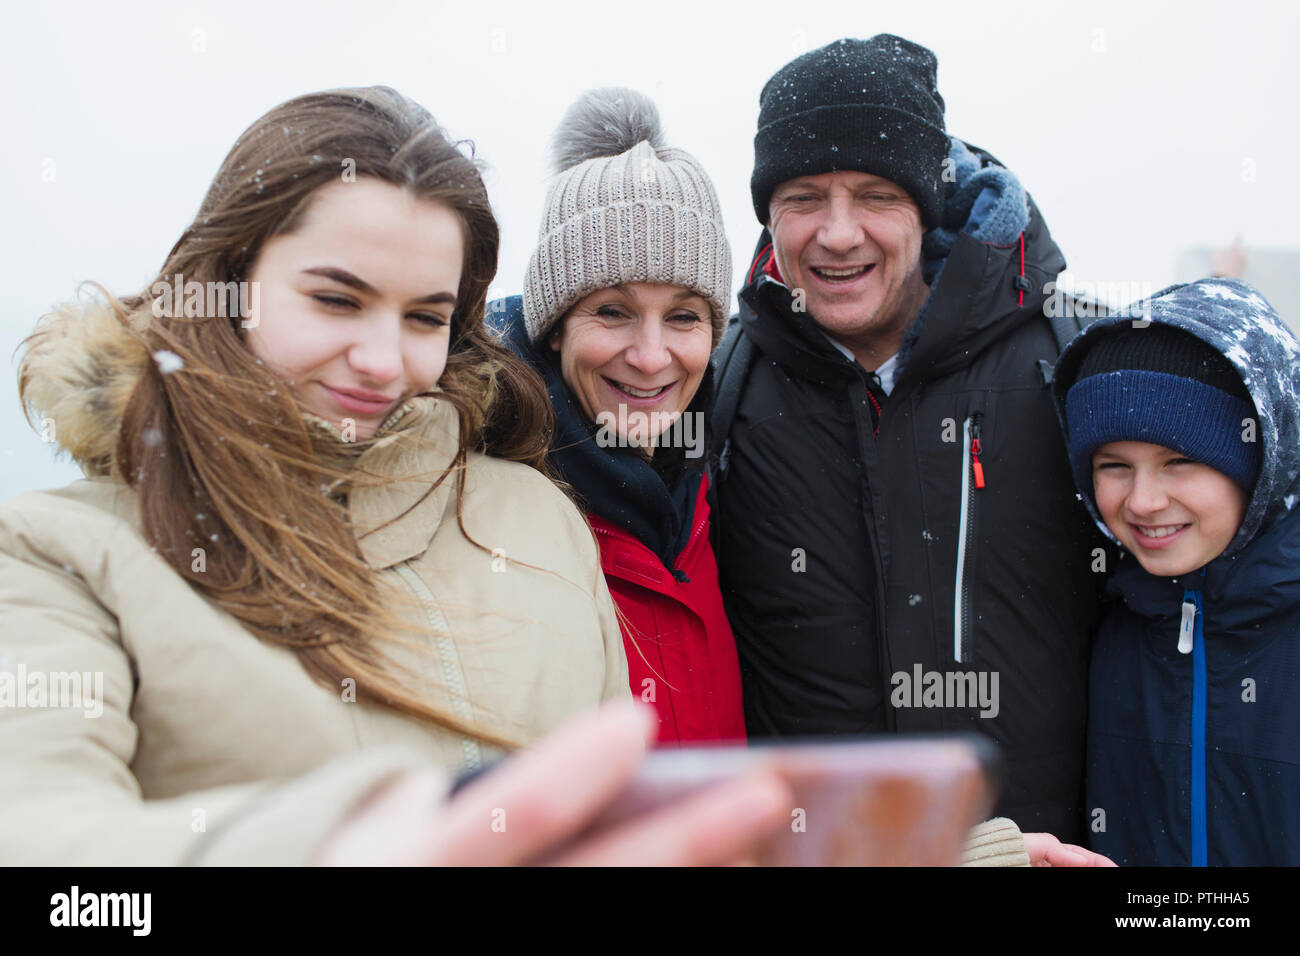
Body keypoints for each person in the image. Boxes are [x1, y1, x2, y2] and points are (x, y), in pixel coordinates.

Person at [0, 85, 784, 865]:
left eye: (424, 318)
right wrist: (334, 848)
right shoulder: (61, 555)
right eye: (337, 300)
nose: (382, 363)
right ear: (230, 285)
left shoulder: (539, 518)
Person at [710, 34, 1107, 843]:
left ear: (927, 207)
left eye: (875, 195)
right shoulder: (719, 385)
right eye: (802, 197)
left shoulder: (1073, 362)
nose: (838, 233)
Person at [494, 88, 745, 745]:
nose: (651, 355)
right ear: (553, 329)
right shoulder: (487, 510)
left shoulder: (715, 503)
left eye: (685, 316)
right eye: (612, 310)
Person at [1052, 278, 1300, 866]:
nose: (1142, 502)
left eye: (1179, 462)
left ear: (1263, 461)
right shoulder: (1109, 622)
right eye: (1114, 465)